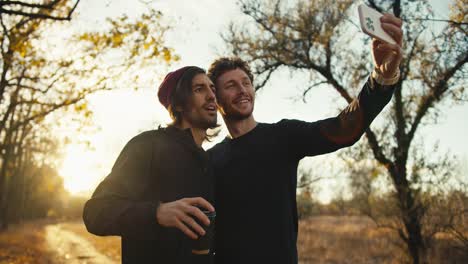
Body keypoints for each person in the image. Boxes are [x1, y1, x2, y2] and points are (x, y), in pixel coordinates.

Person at [207, 14, 404, 264]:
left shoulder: (283, 136)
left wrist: (383, 76)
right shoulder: (211, 159)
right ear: (216, 99)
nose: (243, 90)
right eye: (231, 85)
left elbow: (344, 129)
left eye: (246, 82)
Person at [83, 66, 218, 263]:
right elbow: (95, 213)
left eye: (212, 88)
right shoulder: (147, 145)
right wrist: (156, 213)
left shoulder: (208, 160)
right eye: (199, 89)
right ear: (178, 104)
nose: (211, 96)